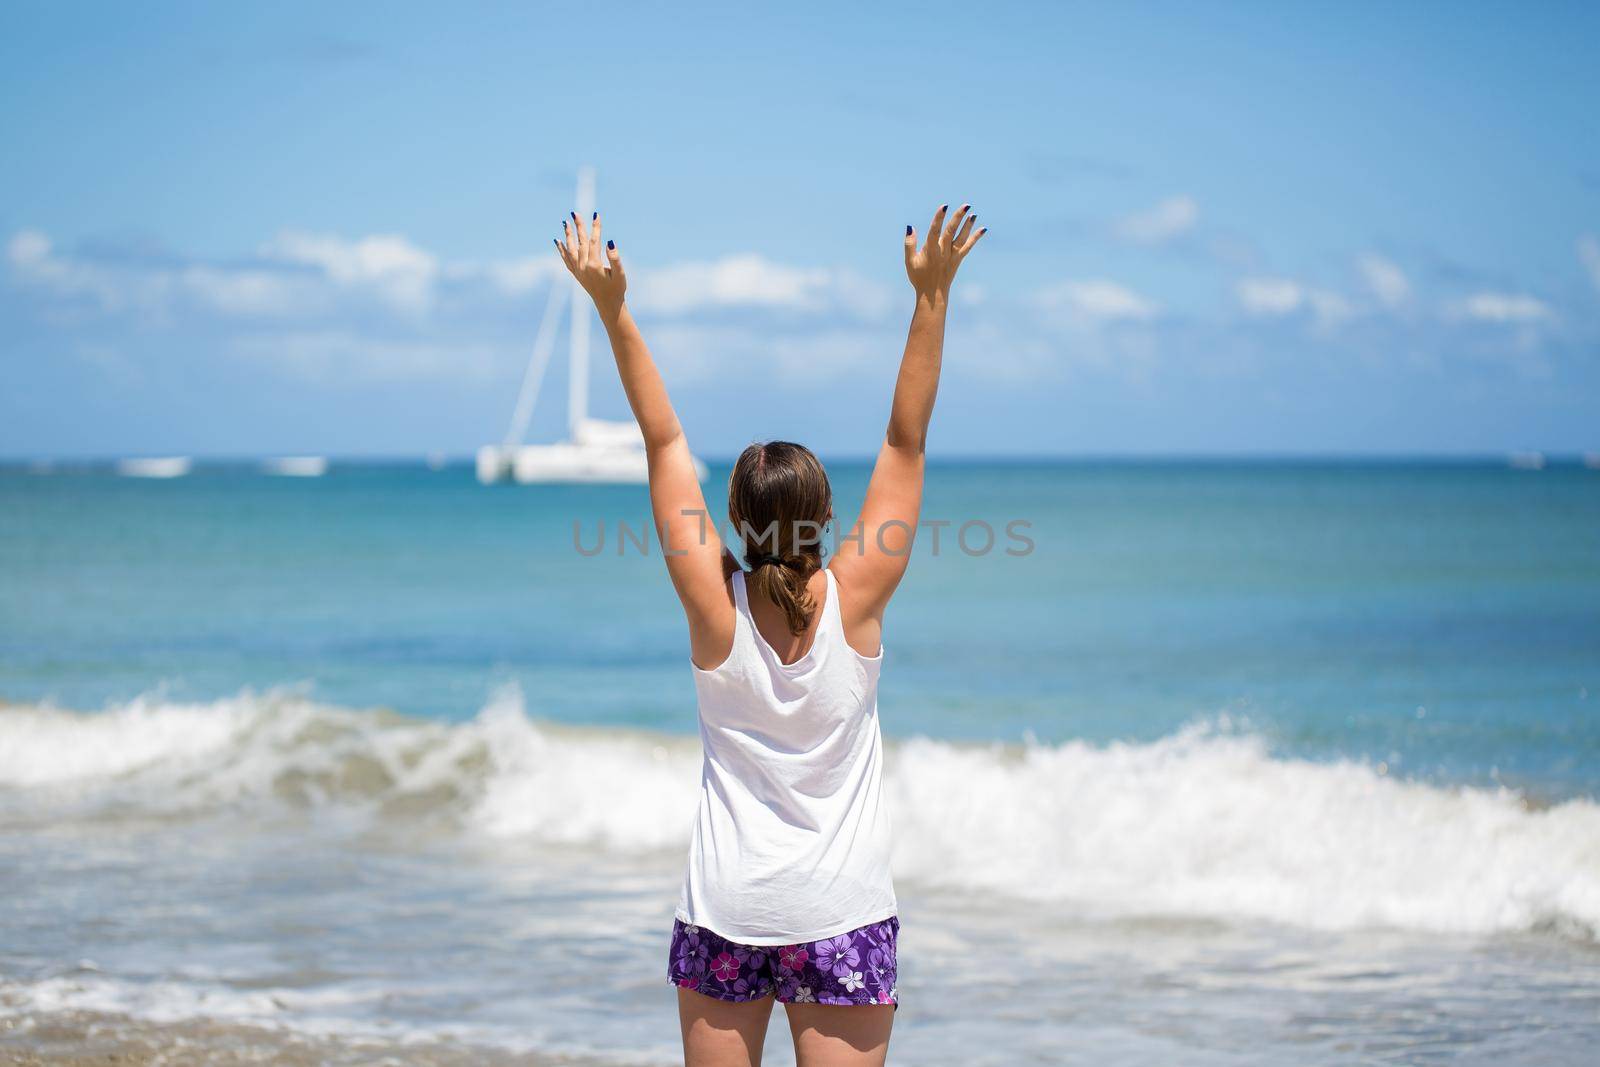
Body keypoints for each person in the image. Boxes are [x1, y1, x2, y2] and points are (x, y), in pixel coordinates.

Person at [556, 202, 985, 1067]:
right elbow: (906, 442)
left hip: (728, 909)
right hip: (840, 910)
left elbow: (663, 437)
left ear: (737, 523)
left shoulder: (714, 608)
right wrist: (930, 298)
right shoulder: (859, 596)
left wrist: (613, 308)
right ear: (829, 516)